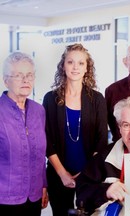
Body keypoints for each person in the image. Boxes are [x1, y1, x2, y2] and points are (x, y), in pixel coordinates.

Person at [43, 43, 108, 216]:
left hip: (90, 174)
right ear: (63, 66)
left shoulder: (97, 99)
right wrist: (62, 173)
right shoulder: (50, 98)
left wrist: (86, 173)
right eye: (70, 62)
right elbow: (46, 138)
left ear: (87, 68)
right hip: (58, 173)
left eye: (81, 63)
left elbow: (101, 140)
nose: (75, 67)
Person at [0, 52, 48, 215]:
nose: (26, 80)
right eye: (19, 75)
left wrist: (43, 185)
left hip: (33, 198)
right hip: (4, 199)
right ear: (6, 80)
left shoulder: (38, 110)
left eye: (29, 75)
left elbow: (41, 155)